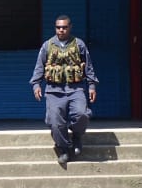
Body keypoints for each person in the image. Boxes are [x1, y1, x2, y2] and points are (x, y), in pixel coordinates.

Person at [30, 15, 98, 167]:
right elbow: (39, 67)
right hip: (54, 90)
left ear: (70, 27)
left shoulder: (79, 44)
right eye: (58, 27)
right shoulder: (47, 45)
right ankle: (63, 148)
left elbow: (88, 66)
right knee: (55, 121)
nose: (61, 30)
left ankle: (77, 136)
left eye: (64, 27)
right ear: (55, 28)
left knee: (82, 114)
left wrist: (92, 85)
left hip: (75, 89)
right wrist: (36, 85)